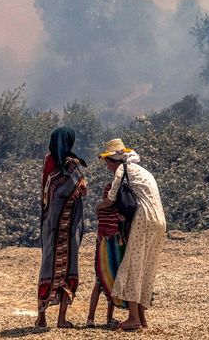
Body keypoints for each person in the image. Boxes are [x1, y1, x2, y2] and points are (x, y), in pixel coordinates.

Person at [96, 138, 166, 332]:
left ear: (112, 160)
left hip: (144, 219)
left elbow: (110, 200)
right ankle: (142, 317)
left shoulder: (122, 170)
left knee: (133, 265)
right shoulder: (143, 171)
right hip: (160, 221)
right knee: (147, 266)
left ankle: (133, 318)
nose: (107, 166)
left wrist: (97, 207)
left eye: (107, 162)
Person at [36, 127, 87, 329]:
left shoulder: (48, 160)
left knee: (48, 265)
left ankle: (41, 317)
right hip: (67, 227)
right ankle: (61, 319)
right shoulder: (72, 165)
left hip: (49, 225)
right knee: (68, 268)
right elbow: (83, 191)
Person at [86, 180, 127, 328]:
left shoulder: (102, 210)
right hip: (115, 247)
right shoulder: (119, 212)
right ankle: (108, 318)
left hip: (103, 247)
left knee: (99, 282)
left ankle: (91, 319)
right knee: (112, 282)